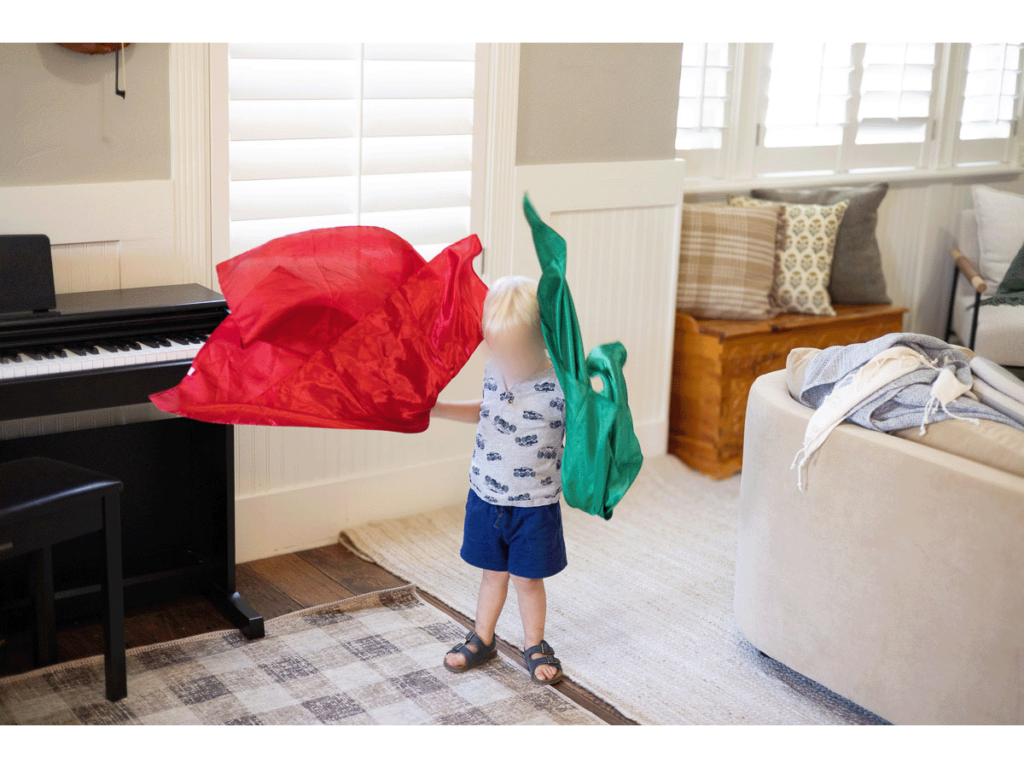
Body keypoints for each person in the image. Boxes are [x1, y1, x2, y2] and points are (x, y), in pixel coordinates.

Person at [430, 275, 568, 684]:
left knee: (528, 580)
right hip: (487, 495)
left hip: (534, 504)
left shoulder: (560, 385)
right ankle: (483, 638)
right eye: (497, 349)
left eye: (515, 352)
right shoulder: (494, 369)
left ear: (542, 340)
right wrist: (439, 408)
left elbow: (584, 437)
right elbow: (487, 410)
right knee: (492, 574)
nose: (505, 359)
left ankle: (535, 644)